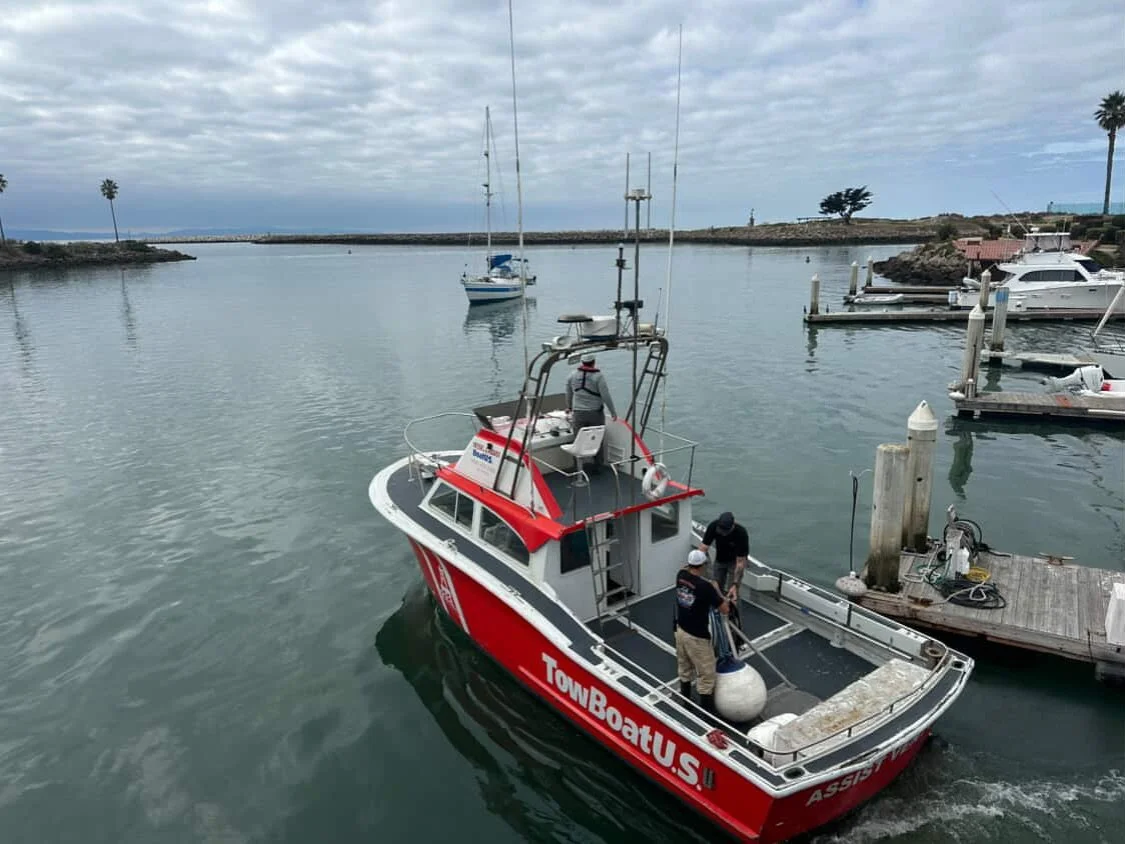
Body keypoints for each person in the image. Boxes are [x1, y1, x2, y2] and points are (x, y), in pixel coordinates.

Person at [675, 549, 728, 713]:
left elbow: (687, 569)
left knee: (684, 668)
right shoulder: (705, 587)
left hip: (680, 630)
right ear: (703, 565)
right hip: (697, 637)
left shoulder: (680, 575)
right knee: (706, 676)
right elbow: (724, 609)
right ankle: (707, 717)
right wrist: (717, 589)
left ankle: (686, 702)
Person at [564, 353, 617, 469]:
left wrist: (569, 407)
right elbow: (605, 396)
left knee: (577, 441)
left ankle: (577, 468)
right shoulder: (598, 376)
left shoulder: (572, 375)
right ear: (593, 362)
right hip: (595, 414)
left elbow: (568, 393)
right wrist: (613, 412)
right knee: (596, 440)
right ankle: (597, 466)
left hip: (578, 414)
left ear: (582, 362)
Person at [699, 511, 749, 599]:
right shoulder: (713, 526)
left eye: (726, 531)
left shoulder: (741, 533)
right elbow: (703, 548)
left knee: (733, 593)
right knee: (716, 589)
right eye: (721, 531)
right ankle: (717, 610)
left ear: (733, 525)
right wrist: (696, 568)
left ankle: (733, 611)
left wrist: (735, 584)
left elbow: (740, 562)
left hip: (735, 563)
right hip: (720, 560)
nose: (723, 534)